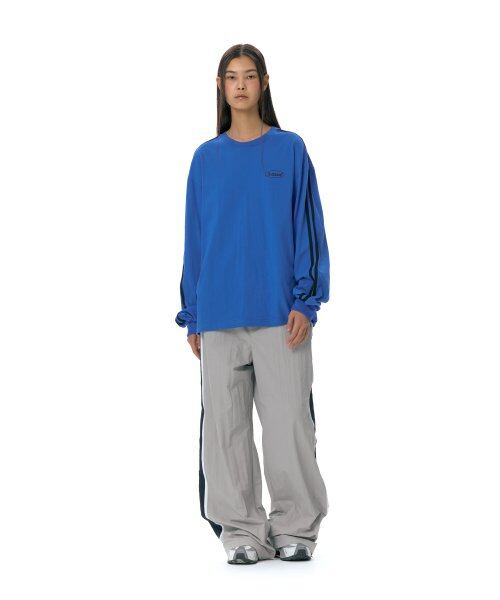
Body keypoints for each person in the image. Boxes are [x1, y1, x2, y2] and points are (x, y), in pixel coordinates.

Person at [175, 44, 330, 565]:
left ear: (263, 83)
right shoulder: (206, 159)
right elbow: (196, 239)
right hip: (219, 316)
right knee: (225, 431)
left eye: (249, 76)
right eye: (230, 77)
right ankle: (241, 530)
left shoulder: (289, 151)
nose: (240, 85)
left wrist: (306, 301)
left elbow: (309, 229)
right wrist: (193, 314)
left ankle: (295, 529)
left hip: (280, 315)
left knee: (289, 426)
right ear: (220, 87)